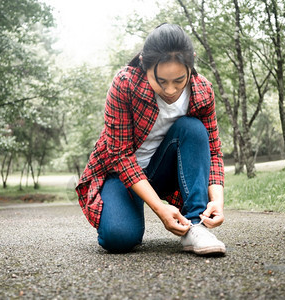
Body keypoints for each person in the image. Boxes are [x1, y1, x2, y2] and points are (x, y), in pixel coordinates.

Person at [75, 23, 226, 255]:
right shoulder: (125, 83)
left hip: (163, 171)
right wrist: (159, 209)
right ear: (145, 63)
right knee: (118, 238)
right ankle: (128, 212)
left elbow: (213, 151)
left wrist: (217, 200)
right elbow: (120, 156)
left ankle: (195, 225)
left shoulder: (203, 91)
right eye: (161, 81)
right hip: (123, 175)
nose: (170, 90)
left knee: (193, 128)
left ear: (191, 62)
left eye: (178, 80)